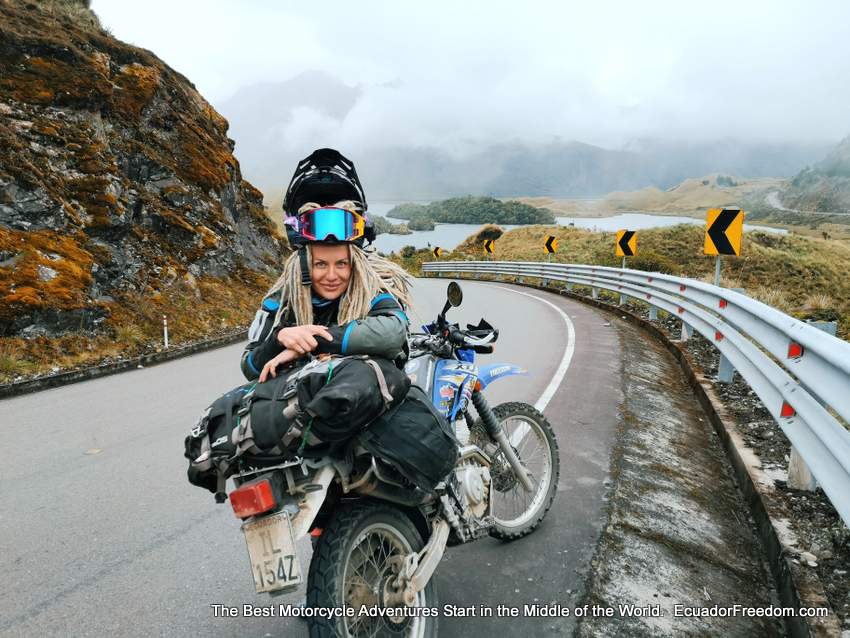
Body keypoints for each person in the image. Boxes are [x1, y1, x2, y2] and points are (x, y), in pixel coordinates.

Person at [240, 148, 413, 383]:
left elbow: (393, 333)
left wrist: (309, 340)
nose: (332, 275)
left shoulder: (372, 286)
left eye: (342, 263)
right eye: (320, 264)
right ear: (301, 263)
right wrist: (280, 338)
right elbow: (249, 365)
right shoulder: (282, 298)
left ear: (355, 263)